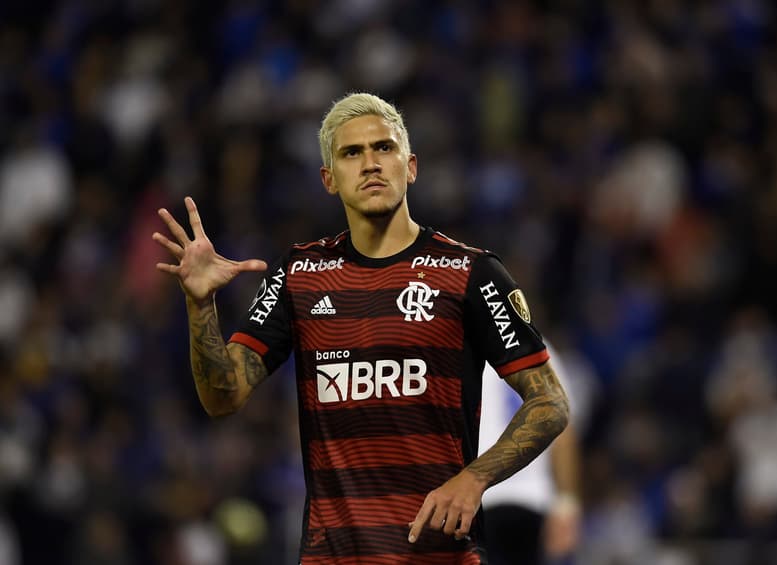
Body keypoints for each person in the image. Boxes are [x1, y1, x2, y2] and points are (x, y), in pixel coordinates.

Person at [152, 92, 570, 564]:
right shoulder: (298, 275)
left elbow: (550, 401)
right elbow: (222, 396)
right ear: (330, 179)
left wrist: (474, 479)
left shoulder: (470, 273)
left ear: (410, 166)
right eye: (352, 153)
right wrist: (200, 303)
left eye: (384, 148)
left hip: (437, 558)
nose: (371, 163)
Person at [479, 344, 583, 565]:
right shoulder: (535, 345)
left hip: (479, 496)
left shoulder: (460, 347)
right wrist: (566, 504)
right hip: (532, 498)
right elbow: (563, 432)